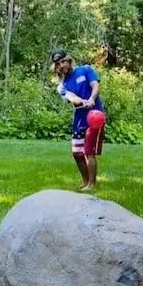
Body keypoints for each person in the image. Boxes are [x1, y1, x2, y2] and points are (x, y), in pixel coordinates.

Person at [51, 48, 105, 190]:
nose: (61, 65)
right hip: (79, 120)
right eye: (57, 64)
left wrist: (92, 99)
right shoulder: (61, 86)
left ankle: (92, 185)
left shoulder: (85, 70)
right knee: (77, 153)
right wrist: (82, 101)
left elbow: (95, 85)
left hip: (95, 116)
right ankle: (85, 182)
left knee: (89, 151)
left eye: (63, 61)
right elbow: (72, 98)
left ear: (69, 60)